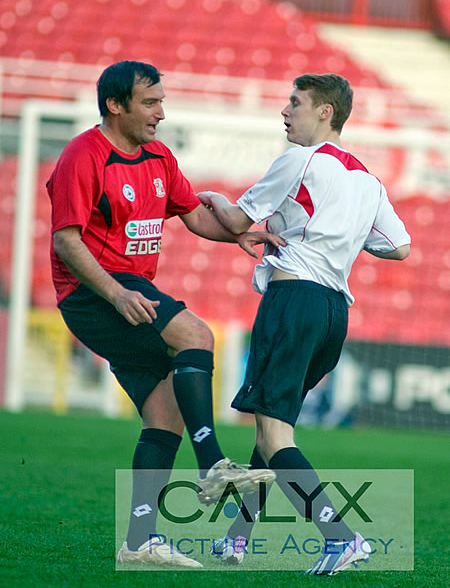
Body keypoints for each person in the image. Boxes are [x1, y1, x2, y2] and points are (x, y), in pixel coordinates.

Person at [46, 60, 280, 569]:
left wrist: (237, 233)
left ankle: (139, 542)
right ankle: (213, 464)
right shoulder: (83, 156)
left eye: (161, 102)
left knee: (166, 412)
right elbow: (66, 240)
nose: (160, 113)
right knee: (196, 333)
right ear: (115, 104)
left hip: (129, 289)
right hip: (94, 293)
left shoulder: (158, 155)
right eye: (150, 102)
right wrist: (113, 293)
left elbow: (194, 213)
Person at [198, 73, 411, 576]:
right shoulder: (367, 178)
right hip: (334, 312)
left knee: (275, 436)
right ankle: (236, 540)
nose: (285, 111)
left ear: (325, 112)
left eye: (295, 102)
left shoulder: (301, 159)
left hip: (294, 300)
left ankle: (340, 538)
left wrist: (206, 196)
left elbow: (235, 220)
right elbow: (399, 246)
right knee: (273, 427)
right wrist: (339, 237)